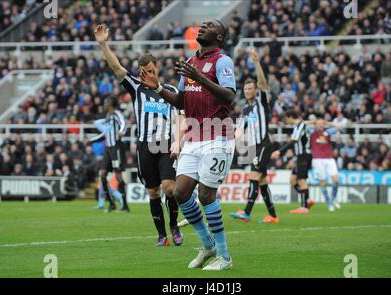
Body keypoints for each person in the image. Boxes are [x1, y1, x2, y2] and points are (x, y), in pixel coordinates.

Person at [140, 19, 236, 270]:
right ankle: (208, 245)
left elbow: (229, 95)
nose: (202, 27)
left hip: (218, 135)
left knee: (206, 195)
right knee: (179, 193)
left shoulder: (222, 61)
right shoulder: (191, 63)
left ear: (219, 37)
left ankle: (224, 257)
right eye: (201, 25)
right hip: (194, 137)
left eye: (210, 26)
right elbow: (181, 102)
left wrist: (199, 78)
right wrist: (159, 88)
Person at [94, 24, 183, 246]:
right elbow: (116, 67)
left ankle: (174, 226)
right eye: (144, 71)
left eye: (151, 70)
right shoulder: (136, 87)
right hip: (145, 146)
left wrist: (178, 141)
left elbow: (182, 115)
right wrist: (104, 44)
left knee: (170, 188)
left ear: (157, 67)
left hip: (166, 145)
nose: (147, 74)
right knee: (153, 191)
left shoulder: (170, 91)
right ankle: (162, 235)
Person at [230, 48, 279, 224]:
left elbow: (263, 83)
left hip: (264, 144)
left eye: (251, 88)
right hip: (253, 147)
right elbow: (239, 130)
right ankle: (273, 216)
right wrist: (231, 144)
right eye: (246, 88)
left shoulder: (262, 102)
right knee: (263, 182)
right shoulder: (244, 109)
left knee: (253, 176)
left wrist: (257, 63)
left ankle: (247, 212)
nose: (248, 91)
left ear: (256, 91)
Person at [271, 110, 313, 214]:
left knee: (301, 180)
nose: (286, 121)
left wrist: (279, 151)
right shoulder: (300, 125)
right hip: (300, 156)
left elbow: (294, 141)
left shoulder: (300, 125)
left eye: (286, 118)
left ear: (290, 116)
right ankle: (307, 199)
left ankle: (304, 207)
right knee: (293, 180)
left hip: (303, 156)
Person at [93, 97, 129, 213]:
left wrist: (121, 131)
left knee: (118, 176)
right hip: (108, 149)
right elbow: (105, 133)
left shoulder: (116, 113)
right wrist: (92, 140)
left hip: (116, 148)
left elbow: (123, 123)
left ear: (110, 104)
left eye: (106, 102)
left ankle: (125, 205)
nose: (104, 103)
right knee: (102, 175)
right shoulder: (108, 117)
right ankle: (111, 203)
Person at [310, 118, 342, 212]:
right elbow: (301, 124)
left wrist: (327, 123)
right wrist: (312, 122)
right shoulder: (311, 131)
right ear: (315, 125)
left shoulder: (328, 132)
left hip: (329, 159)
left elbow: (339, 126)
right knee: (323, 182)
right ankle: (329, 203)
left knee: (336, 180)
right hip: (317, 160)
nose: (320, 125)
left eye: (322, 124)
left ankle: (333, 198)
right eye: (318, 123)